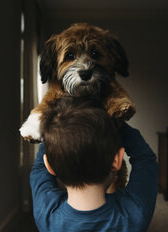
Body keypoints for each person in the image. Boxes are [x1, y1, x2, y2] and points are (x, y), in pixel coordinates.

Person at [29, 96, 158, 232]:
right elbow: (145, 158)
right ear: (117, 160)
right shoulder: (135, 214)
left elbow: (39, 169)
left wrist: (52, 131)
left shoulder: (46, 215)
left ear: (50, 165)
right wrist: (116, 122)